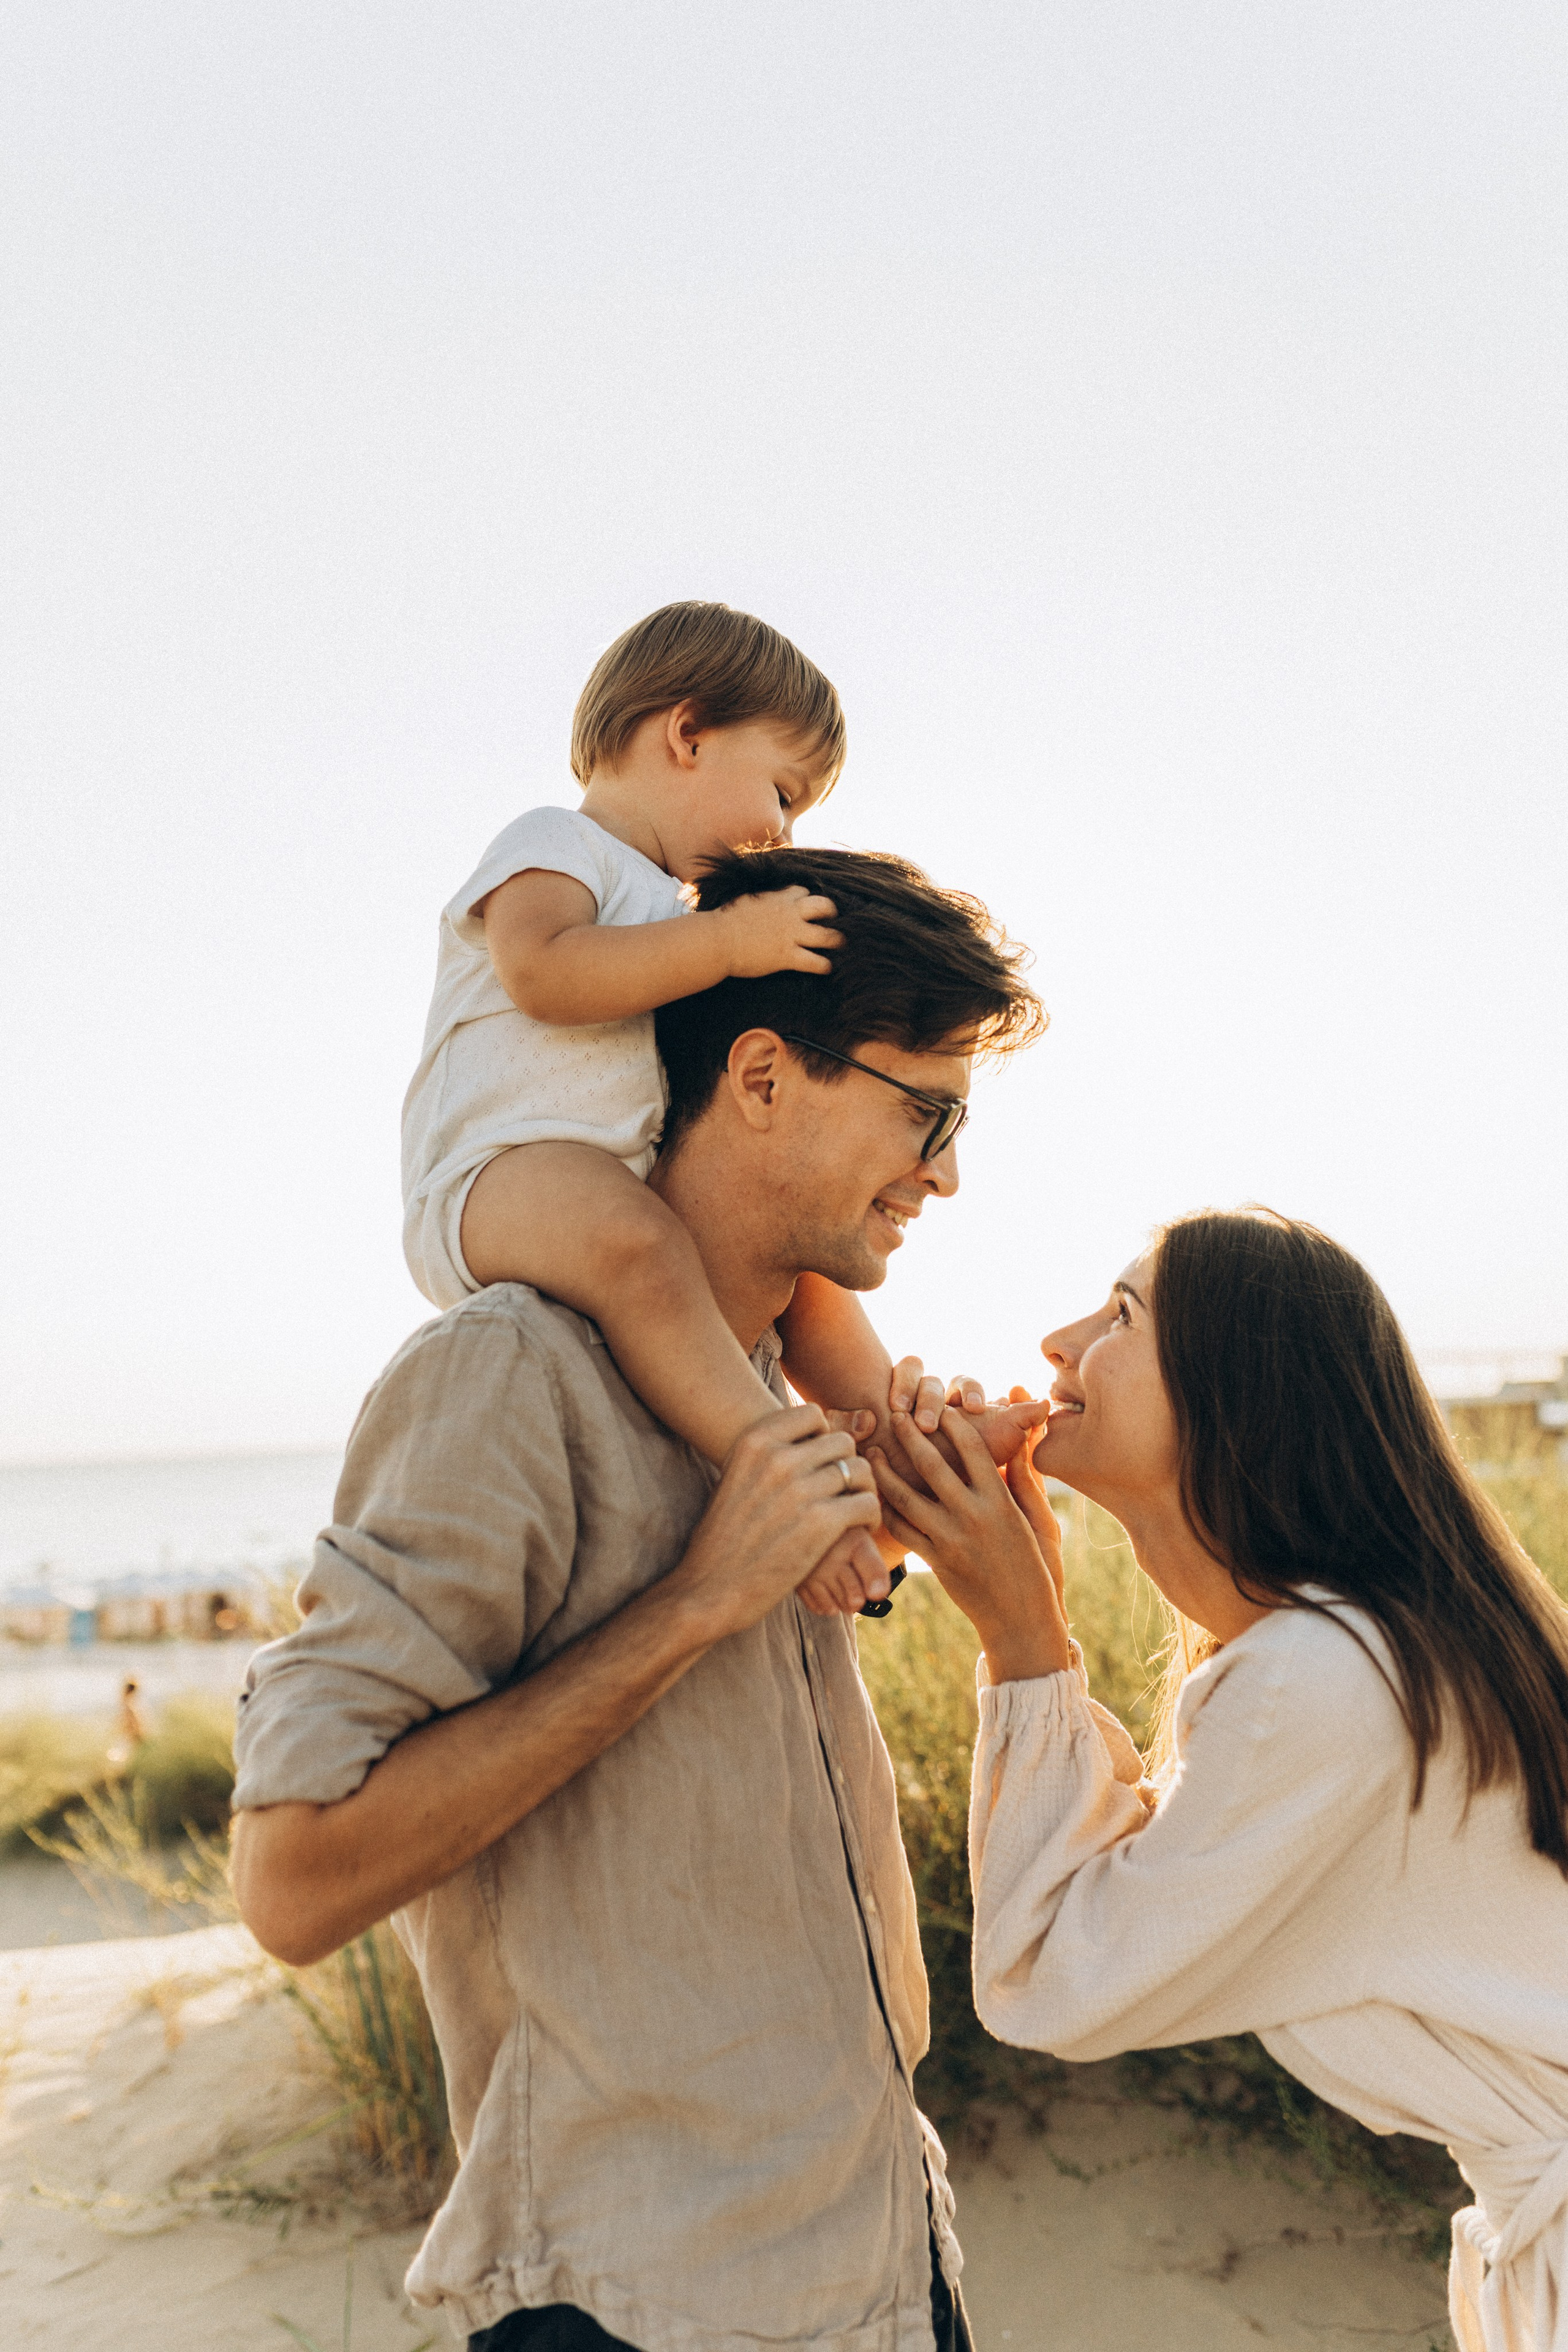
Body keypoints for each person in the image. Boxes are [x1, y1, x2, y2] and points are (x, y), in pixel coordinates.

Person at [230, 844, 1047, 2352]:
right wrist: (692, 1604)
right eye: (925, 1115)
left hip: (888, 2257)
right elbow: (293, 1881)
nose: (944, 1174)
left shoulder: (773, 1397)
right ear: (761, 1076)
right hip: (635, 2307)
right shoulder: (505, 1377)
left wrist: (939, 1515)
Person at [867, 1207, 1568, 2352]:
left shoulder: (1324, 1680)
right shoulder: (1360, 1653)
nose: (1058, 1341)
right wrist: (1028, 1611)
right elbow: (1130, 1889)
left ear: (1236, 1390)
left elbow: (1046, 1977)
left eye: (1122, 1315)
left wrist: (1024, 1636)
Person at [403, 602, 914, 1613]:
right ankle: (776, 1469)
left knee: (799, 1277)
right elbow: (544, 970)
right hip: (493, 1181)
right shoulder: (555, 842)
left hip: (617, 1184)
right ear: (688, 733)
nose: (786, 832)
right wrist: (729, 946)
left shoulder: (672, 911)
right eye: (783, 793)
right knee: (639, 1245)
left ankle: (905, 1438)